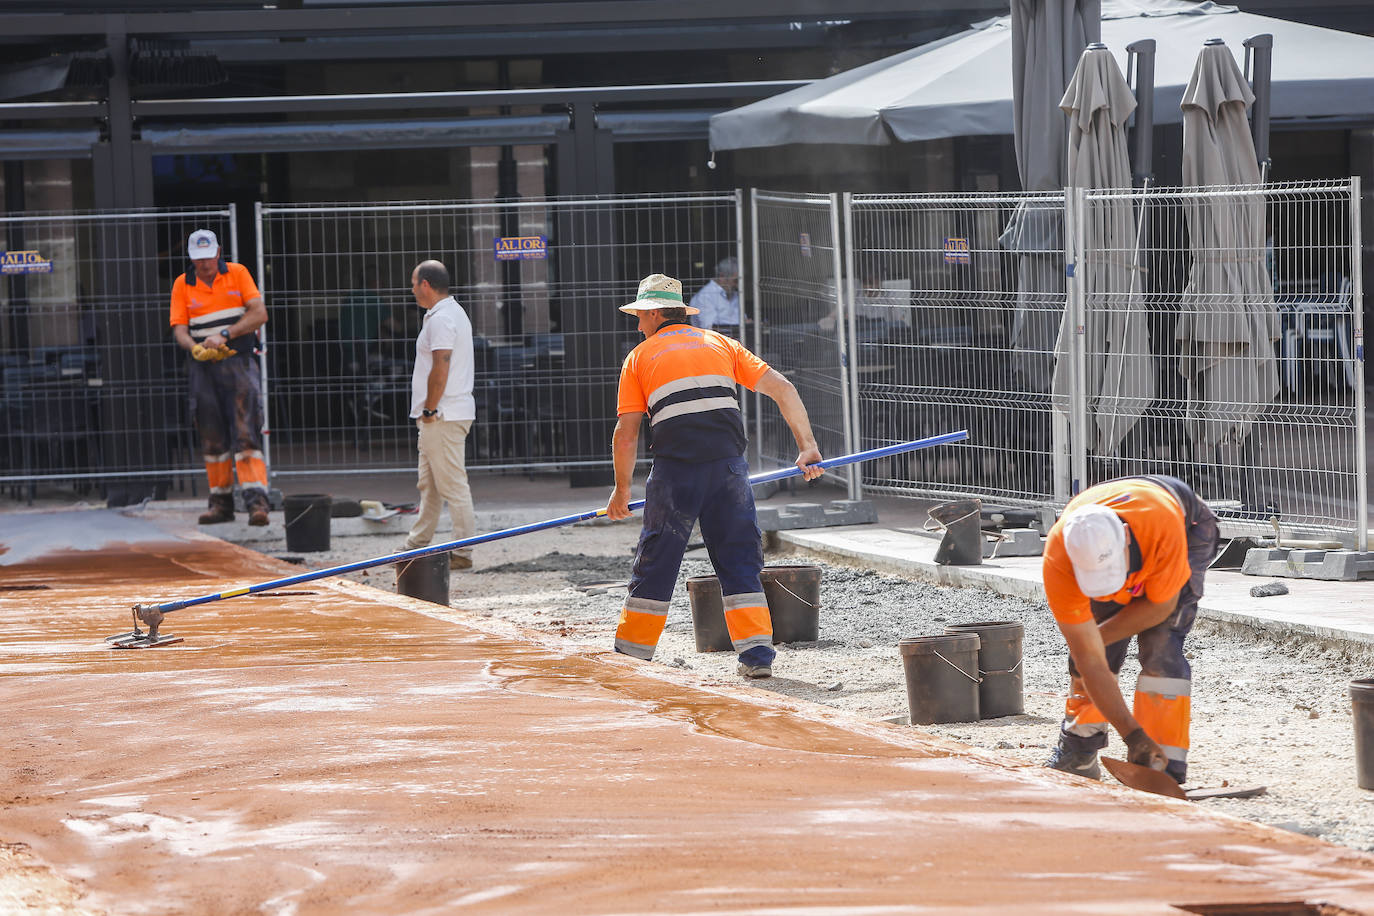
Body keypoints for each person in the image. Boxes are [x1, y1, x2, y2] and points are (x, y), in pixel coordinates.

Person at [604, 273, 823, 679]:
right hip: (729, 470)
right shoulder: (721, 344)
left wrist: (620, 491)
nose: (637, 324)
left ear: (654, 313)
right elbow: (784, 388)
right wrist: (807, 447)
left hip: (676, 473)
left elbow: (626, 433)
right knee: (739, 558)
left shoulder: (639, 357)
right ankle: (757, 656)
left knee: (657, 560)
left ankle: (632, 656)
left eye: (639, 316)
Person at [1042, 475, 1219, 785]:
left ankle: (1161, 765)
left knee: (1161, 648)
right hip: (1133, 532)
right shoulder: (1060, 558)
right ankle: (1079, 749)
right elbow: (1090, 659)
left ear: (1124, 536)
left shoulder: (1161, 528)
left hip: (1185, 526)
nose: (1111, 590)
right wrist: (1132, 734)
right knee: (1090, 658)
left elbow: (1159, 608)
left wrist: (1093, 643)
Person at [169, 228, 271, 526]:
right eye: (198, 259)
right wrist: (196, 349)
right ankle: (221, 504)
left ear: (218, 252)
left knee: (245, 432)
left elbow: (259, 313)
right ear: (191, 258)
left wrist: (225, 334)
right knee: (212, 436)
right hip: (203, 368)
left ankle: (257, 504)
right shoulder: (182, 284)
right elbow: (180, 329)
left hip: (237, 360)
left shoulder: (237, 274)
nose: (205, 264)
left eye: (209, 257)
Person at [401, 259, 478, 570]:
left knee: (452, 484)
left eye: (413, 284)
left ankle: (463, 552)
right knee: (430, 485)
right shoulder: (447, 314)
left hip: (442, 414)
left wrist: (430, 408)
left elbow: (440, 366)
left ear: (425, 285)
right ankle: (415, 544)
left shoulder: (441, 318)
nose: (411, 290)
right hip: (444, 414)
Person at [688, 257, 741, 333]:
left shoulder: (734, 294)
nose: (737, 286)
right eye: (735, 281)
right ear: (722, 276)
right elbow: (710, 328)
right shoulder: (705, 296)